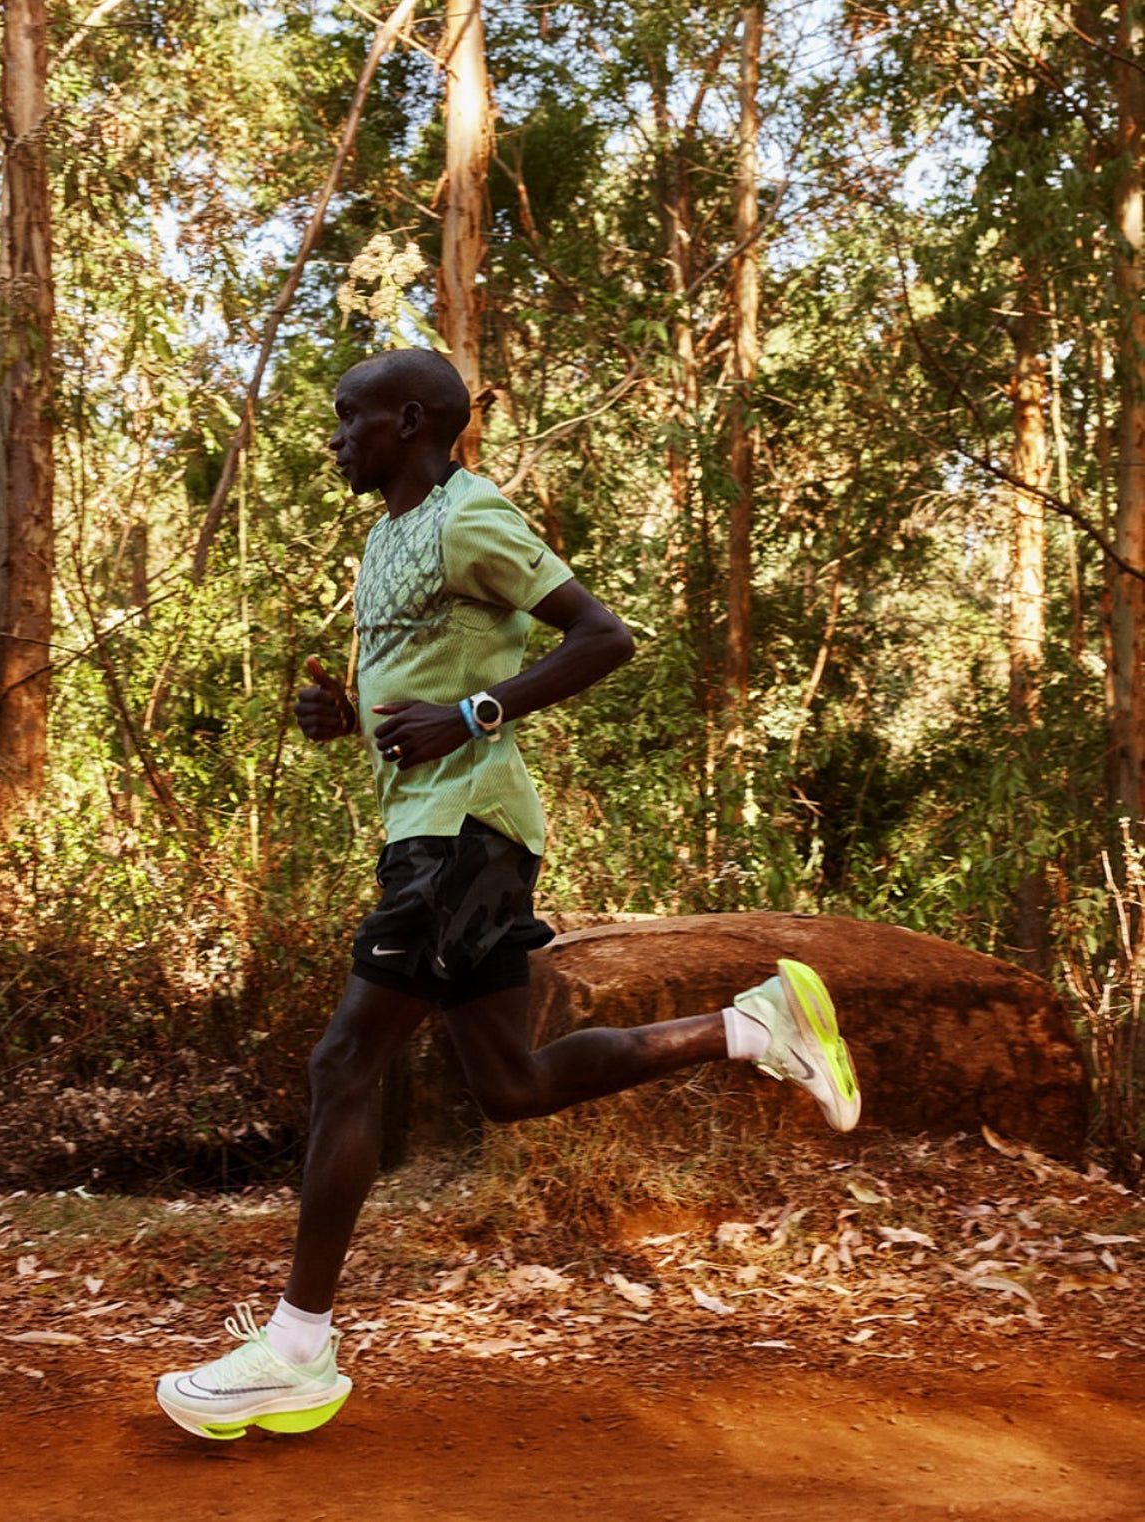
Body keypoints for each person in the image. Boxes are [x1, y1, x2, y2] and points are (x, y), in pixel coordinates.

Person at [155, 349, 861, 1441]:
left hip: (459, 838)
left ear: (408, 419)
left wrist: (480, 713)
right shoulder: (388, 532)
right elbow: (423, 693)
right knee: (513, 1082)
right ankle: (750, 1022)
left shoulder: (467, 516)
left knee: (344, 1063)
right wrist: (355, 719)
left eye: (348, 418)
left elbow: (604, 636)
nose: (334, 436)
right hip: (441, 832)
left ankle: (296, 1349)